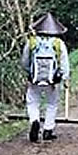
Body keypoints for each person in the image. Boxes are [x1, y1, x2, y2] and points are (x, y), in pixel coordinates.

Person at [21, 13, 70, 143]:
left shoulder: (32, 42)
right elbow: (64, 62)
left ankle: (35, 121)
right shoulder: (58, 43)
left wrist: (29, 73)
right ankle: (48, 129)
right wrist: (65, 78)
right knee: (52, 103)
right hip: (52, 80)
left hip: (35, 79)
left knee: (32, 102)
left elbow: (25, 61)